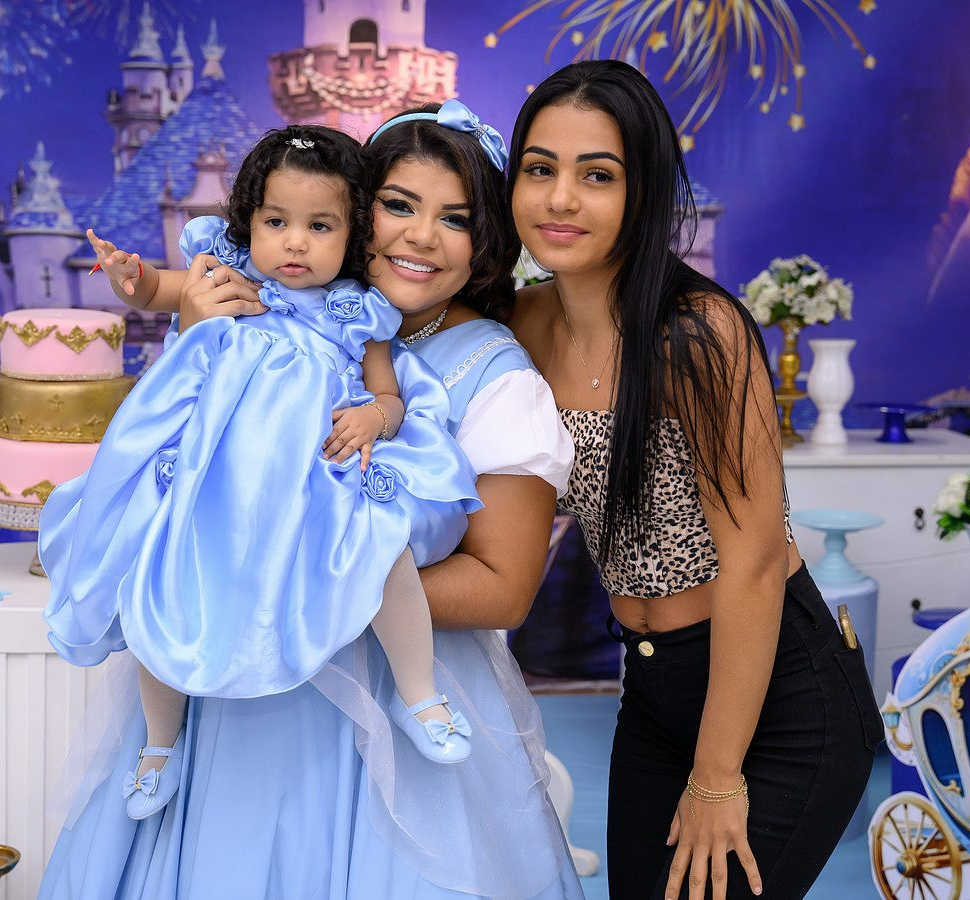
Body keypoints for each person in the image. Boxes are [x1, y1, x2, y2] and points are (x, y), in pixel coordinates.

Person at [37, 100, 583, 899]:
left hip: (384, 691)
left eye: (456, 218)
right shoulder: (269, 299)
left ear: (487, 240)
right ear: (358, 211)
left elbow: (504, 588)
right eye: (398, 205)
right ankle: (161, 748)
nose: (420, 236)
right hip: (228, 674)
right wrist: (192, 321)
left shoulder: (490, 372)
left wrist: (305, 584)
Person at [506, 60, 884, 900]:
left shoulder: (695, 334)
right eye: (539, 168)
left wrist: (717, 777)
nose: (560, 198)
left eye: (596, 175)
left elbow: (753, 564)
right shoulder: (519, 325)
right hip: (651, 687)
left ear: (641, 191)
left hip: (778, 695)